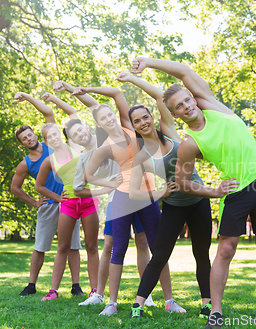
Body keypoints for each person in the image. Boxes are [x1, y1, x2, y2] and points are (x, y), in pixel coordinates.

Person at [131, 57, 256, 328]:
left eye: (187, 100)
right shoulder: (190, 143)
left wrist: (148, 63)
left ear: (192, 98)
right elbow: (182, 182)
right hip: (236, 190)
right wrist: (214, 192)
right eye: (179, 107)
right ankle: (215, 311)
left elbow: (184, 70)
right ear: (175, 115)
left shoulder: (213, 106)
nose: (186, 106)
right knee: (225, 248)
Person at [74, 85, 180, 316]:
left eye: (110, 114)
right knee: (118, 249)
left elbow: (116, 94)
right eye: (103, 119)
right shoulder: (105, 147)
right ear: (99, 125)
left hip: (148, 196)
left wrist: (83, 89)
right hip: (123, 198)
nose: (109, 119)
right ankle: (111, 303)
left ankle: (169, 300)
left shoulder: (131, 129)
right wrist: (112, 185)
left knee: (158, 249)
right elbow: (87, 176)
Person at [115, 72, 213, 319]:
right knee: (159, 255)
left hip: (199, 200)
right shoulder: (140, 155)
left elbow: (160, 96)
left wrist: (132, 80)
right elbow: (135, 190)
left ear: (151, 117)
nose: (143, 122)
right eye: (136, 121)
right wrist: (160, 192)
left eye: (145, 117)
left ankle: (208, 303)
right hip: (173, 207)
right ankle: (138, 305)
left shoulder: (168, 130)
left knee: (201, 254)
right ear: (134, 126)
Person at [52, 81, 157, 307]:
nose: (79, 135)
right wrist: (106, 187)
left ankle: (146, 293)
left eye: (81, 129)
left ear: (89, 128)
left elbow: (94, 106)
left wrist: (73, 88)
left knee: (142, 242)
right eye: (74, 134)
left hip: (138, 192)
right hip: (117, 199)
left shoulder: (103, 136)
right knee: (109, 245)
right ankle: (99, 294)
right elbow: (80, 187)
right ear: (72, 140)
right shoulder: (84, 156)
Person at [11, 92, 82, 298]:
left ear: (35, 134)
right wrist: (34, 202)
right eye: (24, 139)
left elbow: (48, 112)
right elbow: (15, 188)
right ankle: (32, 285)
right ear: (22, 144)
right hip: (49, 205)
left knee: (72, 246)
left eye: (30, 135)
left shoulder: (52, 144)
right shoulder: (25, 163)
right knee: (40, 246)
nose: (29, 139)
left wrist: (27, 97)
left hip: (69, 201)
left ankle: (75, 286)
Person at [34, 92, 100, 301]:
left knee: (91, 246)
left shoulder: (74, 145)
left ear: (60, 135)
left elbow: (72, 112)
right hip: (68, 203)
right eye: (48, 137)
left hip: (88, 201)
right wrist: (58, 197)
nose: (53, 138)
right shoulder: (49, 161)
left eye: (55, 134)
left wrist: (53, 99)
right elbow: (38, 186)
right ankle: (53, 290)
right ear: (45, 141)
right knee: (62, 246)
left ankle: (95, 290)